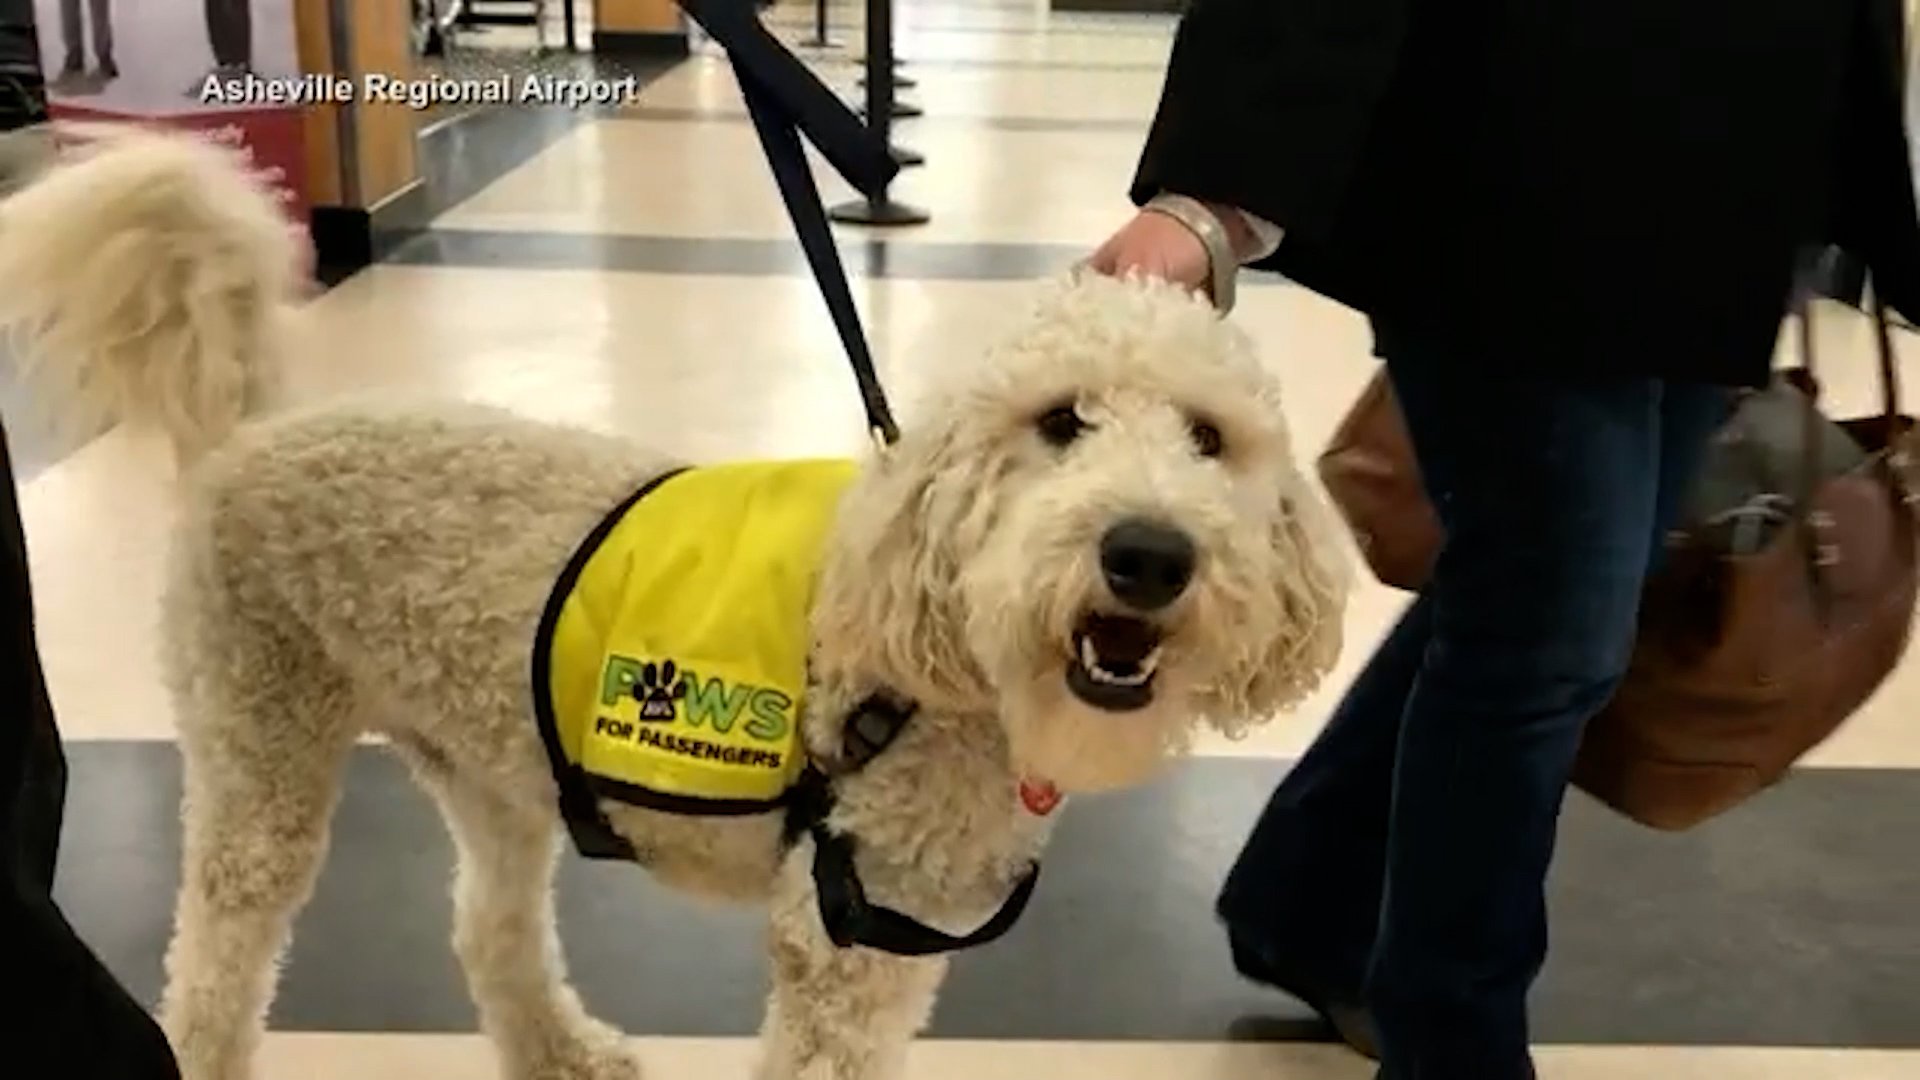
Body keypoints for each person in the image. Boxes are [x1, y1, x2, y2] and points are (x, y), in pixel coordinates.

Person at [1091, 1, 1920, 1077]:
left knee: (1548, 596)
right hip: (1517, 171)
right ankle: (1454, 1041)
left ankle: (1313, 900)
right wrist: (1214, 186)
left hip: (1729, 173)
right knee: (1551, 628)